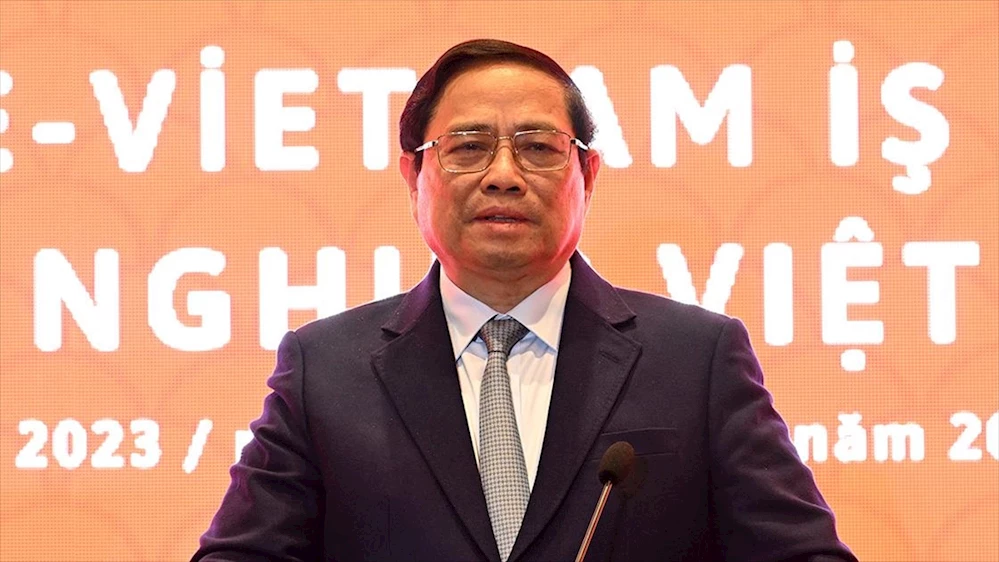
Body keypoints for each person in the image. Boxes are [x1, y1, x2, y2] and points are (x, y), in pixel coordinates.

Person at [193, 39, 856, 562]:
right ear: (413, 175)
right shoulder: (324, 370)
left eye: (539, 148)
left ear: (587, 174)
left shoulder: (696, 359)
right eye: (468, 147)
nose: (504, 176)